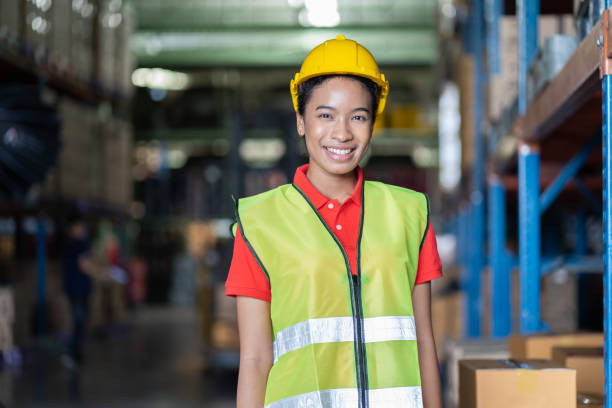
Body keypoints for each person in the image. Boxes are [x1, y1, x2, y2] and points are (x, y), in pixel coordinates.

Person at [225, 35, 443, 408]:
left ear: (372, 124)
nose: (341, 133)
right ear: (300, 121)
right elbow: (255, 358)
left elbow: (423, 342)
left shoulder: (410, 214)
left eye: (357, 116)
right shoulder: (259, 223)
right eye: (325, 115)